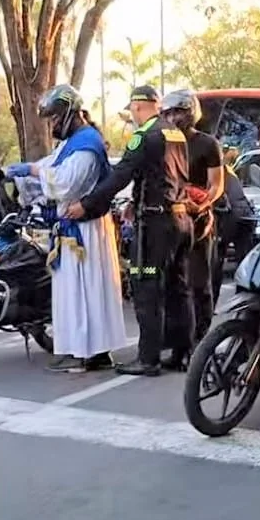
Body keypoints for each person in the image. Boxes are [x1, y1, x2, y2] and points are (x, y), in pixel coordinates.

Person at [65, 86, 194, 377]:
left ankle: (148, 359)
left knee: (146, 286)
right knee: (178, 288)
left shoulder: (144, 136)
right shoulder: (174, 133)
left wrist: (86, 204)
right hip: (181, 219)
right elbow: (167, 175)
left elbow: (121, 175)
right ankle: (182, 353)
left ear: (137, 107)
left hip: (155, 225)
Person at [5, 85, 128, 372]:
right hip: (77, 229)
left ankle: (81, 352)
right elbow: (51, 165)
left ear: (71, 113)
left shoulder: (86, 145)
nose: (53, 125)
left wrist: (32, 171)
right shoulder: (74, 142)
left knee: (82, 293)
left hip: (84, 231)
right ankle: (91, 351)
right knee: (84, 291)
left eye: (55, 118)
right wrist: (24, 170)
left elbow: (65, 183)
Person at [159, 89, 224, 366]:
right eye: (169, 113)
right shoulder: (162, 142)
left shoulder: (207, 144)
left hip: (199, 221)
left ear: (191, 113)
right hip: (171, 220)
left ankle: (200, 345)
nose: (174, 118)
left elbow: (216, 185)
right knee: (174, 285)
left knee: (199, 284)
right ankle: (178, 346)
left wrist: (202, 202)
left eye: (179, 111)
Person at [212, 149, 256, 306]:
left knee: (215, 262)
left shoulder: (216, 171)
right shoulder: (228, 170)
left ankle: (211, 303)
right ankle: (245, 301)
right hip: (245, 216)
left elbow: (215, 195)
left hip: (228, 216)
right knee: (244, 261)